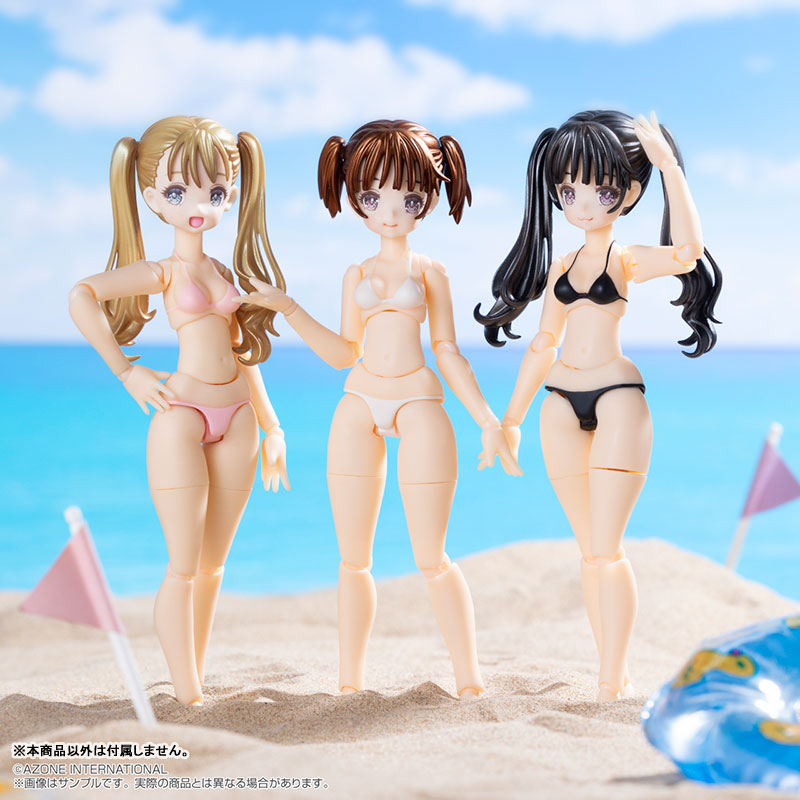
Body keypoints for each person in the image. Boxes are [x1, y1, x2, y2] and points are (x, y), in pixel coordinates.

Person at [239, 119, 520, 698]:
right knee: (353, 560)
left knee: (431, 557)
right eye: (372, 197)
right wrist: (288, 308)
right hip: (359, 400)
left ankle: (470, 681)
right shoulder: (357, 274)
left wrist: (488, 420)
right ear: (354, 198)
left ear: (429, 198)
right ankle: (350, 685)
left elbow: (447, 351)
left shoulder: (431, 272)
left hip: (418, 399)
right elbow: (344, 352)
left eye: (409, 199)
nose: (390, 212)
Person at [475, 110, 721, 701]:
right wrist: (509, 418)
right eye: (568, 191)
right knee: (590, 554)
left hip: (617, 397)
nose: (583, 204)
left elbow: (688, 252)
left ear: (629, 194)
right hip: (558, 401)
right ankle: (608, 673)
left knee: (607, 549)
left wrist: (669, 167)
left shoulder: (627, 258)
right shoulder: (562, 265)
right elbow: (543, 342)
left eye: (602, 191)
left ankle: (615, 676)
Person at [68, 116, 288, 705]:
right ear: (150, 198)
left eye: (214, 192)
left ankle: (197, 677)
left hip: (239, 414)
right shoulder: (162, 272)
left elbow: (241, 352)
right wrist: (125, 371)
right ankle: (187, 694)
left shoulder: (225, 272)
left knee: (214, 565)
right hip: (181, 411)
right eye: (176, 192)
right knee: (183, 565)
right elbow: (82, 295)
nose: (198, 206)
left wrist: (272, 424)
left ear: (230, 196)